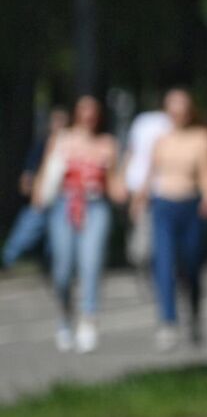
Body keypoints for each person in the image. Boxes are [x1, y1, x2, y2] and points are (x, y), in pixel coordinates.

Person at [35, 96, 120, 352]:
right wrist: (37, 196)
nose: (88, 115)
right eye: (84, 109)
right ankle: (64, 318)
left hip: (96, 207)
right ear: (76, 113)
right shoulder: (61, 140)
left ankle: (89, 320)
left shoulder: (107, 144)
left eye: (93, 110)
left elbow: (115, 186)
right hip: (64, 205)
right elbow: (45, 175)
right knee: (62, 268)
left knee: (90, 263)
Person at [143, 88, 207, 349]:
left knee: (192, 265)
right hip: (163, 205)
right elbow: (150, 174)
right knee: (163, 263)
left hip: (190, 206)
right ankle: (168, 321)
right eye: (172, 107)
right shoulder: (161, 140)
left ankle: (195, 314)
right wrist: (138, 200)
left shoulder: (202, 138)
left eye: (181, 107)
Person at [2, 106, 67, 268]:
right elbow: (29, 170)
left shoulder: (72, 145)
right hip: (43, 195)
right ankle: (6, 259)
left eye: (62, 121)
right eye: (56, 121)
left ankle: (51, 264)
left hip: (63, 199)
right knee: (26, 229)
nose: (58, 125)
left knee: (57, 236)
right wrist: (29, 185)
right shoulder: (42, 145)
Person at [120, 98, 176, 285]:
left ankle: (162, 276)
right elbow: (133, 151)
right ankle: (153, 274)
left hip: (167, 190)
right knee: (143, 243)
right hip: (144, 188)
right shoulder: (147, 122)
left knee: (162, 241)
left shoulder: (169, 125)